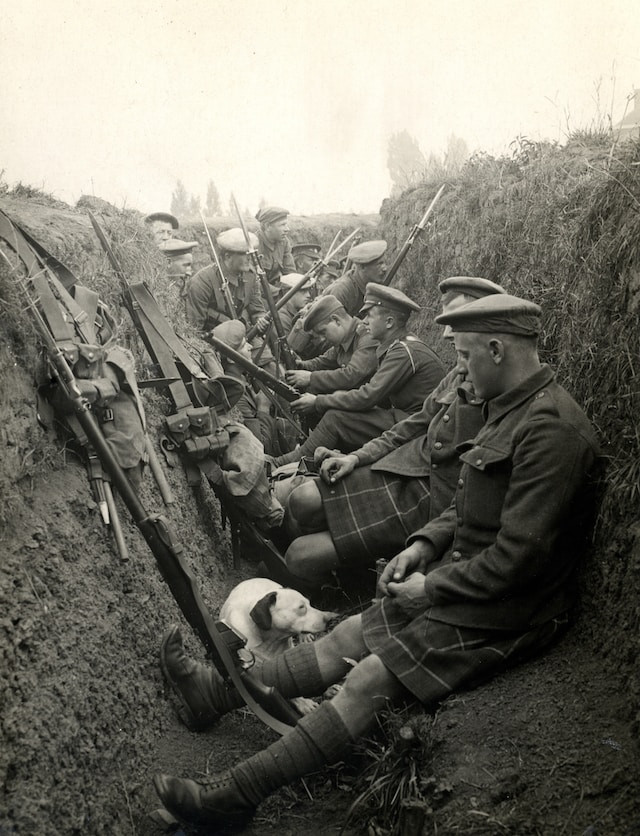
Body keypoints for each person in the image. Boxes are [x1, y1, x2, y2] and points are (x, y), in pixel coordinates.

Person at [154, 292, 600, 830]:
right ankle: (216, 695)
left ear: (497, 349)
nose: (459, 369)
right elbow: (465, 503)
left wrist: (430, 589)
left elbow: (520, 560)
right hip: (466, 574)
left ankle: (236, 795)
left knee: (367, 677)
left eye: (464, 354)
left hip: (507, 606)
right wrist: (423, 547)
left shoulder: (550, 430)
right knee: (348, 636)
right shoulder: (507, 406)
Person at [279, 277, 505, 583]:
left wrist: (318, 399)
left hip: (428, 494)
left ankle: (344, 575)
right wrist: (357, 458)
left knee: (301, 548)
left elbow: (370, 393)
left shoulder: (407, 352)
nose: (447, 334)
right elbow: (419, 422)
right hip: (408, 463)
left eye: (457, 325)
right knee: (301, 502)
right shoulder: (455, 373)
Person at [274, 283, 445, 467]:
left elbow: (368, 395)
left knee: (335, 417)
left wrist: (318, 401)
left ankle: (290, 462)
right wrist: (301, 367)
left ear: (389, 322)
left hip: (417, 426)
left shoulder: (403, 351)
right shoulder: (398, 346)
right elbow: (329, 363)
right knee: (336, 411)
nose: (364, 322)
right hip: (409, 418)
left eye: (369, 316)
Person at [211, 320, 293, 457]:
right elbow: (262, 447)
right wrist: (263, 407)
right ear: (231, 359)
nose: (250, 347)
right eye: (244, 345)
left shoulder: (241, 379)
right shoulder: (235, 396)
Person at [285, 295, 378, 397]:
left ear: (336, 320)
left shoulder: (366, 335)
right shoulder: (344, 340)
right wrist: (300, 365)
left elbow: (353, 375)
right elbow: (323, 362)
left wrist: (311, 378)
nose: (322, 339)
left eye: (323, 332)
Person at [186, 228, 268, 334]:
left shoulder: (250, 276)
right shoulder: (202, 282)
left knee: (265, 350)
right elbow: (195, 328)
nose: (249, 258)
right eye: (244, 254)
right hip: (216, 339)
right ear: (227, 256)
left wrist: (260, 319)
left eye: (250, 253)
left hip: (244, 333)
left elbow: (257, 309)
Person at [323, 239, 387, 315]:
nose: (385, 268)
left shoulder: (373, 285)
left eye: (384, 263)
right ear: (362, 267)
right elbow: (332, 323)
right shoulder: (342, 291)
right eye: (379, 264)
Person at [255, 206, 296, 286]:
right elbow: (254, 283)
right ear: (267, 226)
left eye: (286, 224)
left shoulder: (284, 242)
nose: (287, 229)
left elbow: (290, 272)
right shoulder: (254, 245)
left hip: (277, 288)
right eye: (282, 225)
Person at [277, 272, 316, 337]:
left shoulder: (296, 311)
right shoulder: (281, 318)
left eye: (308, 290)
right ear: (288, 292)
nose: (308, 295)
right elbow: (287, 346)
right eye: (303, 291)